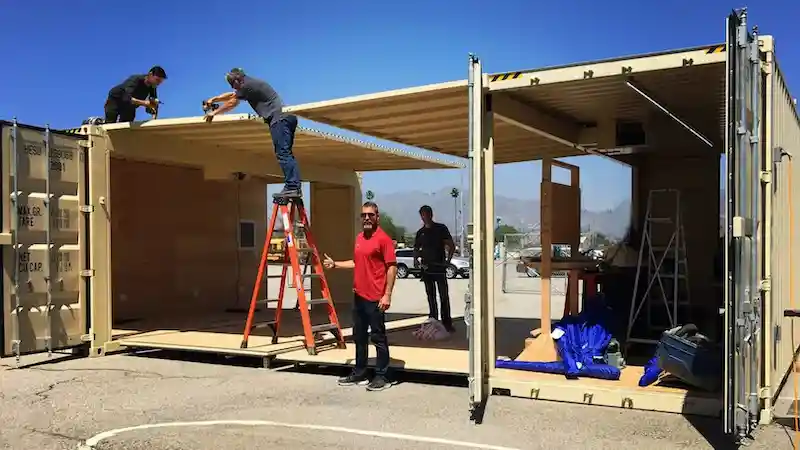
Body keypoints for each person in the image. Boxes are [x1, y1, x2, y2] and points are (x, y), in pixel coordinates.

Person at [323, 201, 397, 391]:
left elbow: (392, 267)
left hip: (376, 297)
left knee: (378, 337)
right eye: (363, 215)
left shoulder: (383, 239)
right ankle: (360, 372)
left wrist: (387, 294)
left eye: (370, 215)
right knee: (359, 336)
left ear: (377, 217)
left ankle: (382, 376)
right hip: (359, 296)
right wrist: (336, 264)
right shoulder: (360, 238)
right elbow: (357, 262)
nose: (366, 218)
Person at [203, 68, 301, 200]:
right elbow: (233, 96)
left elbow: (233, 102)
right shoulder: (249, 83)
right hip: (286, 117)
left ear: (238, 80)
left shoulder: (247, 85)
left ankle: (292, 187)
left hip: (279, 119)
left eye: (233, 85)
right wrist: (214, 99)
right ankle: (293, 186)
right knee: (285, 153)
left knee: (283, 153)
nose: (234, 88)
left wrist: (214, 113)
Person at [413, 205, 456, 333]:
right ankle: (433, 320)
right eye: (423, 214)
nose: (425, 217)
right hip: (427, 269)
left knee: (443, 296)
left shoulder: (441, 229)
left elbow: (451, 245)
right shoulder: (420, 233)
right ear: (421, 216)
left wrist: (448, 261)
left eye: (427, 214)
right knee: (430, 296)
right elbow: (416, 249)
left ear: (431, 215)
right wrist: (416, 260)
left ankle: (447, 323)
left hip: (439, 268)